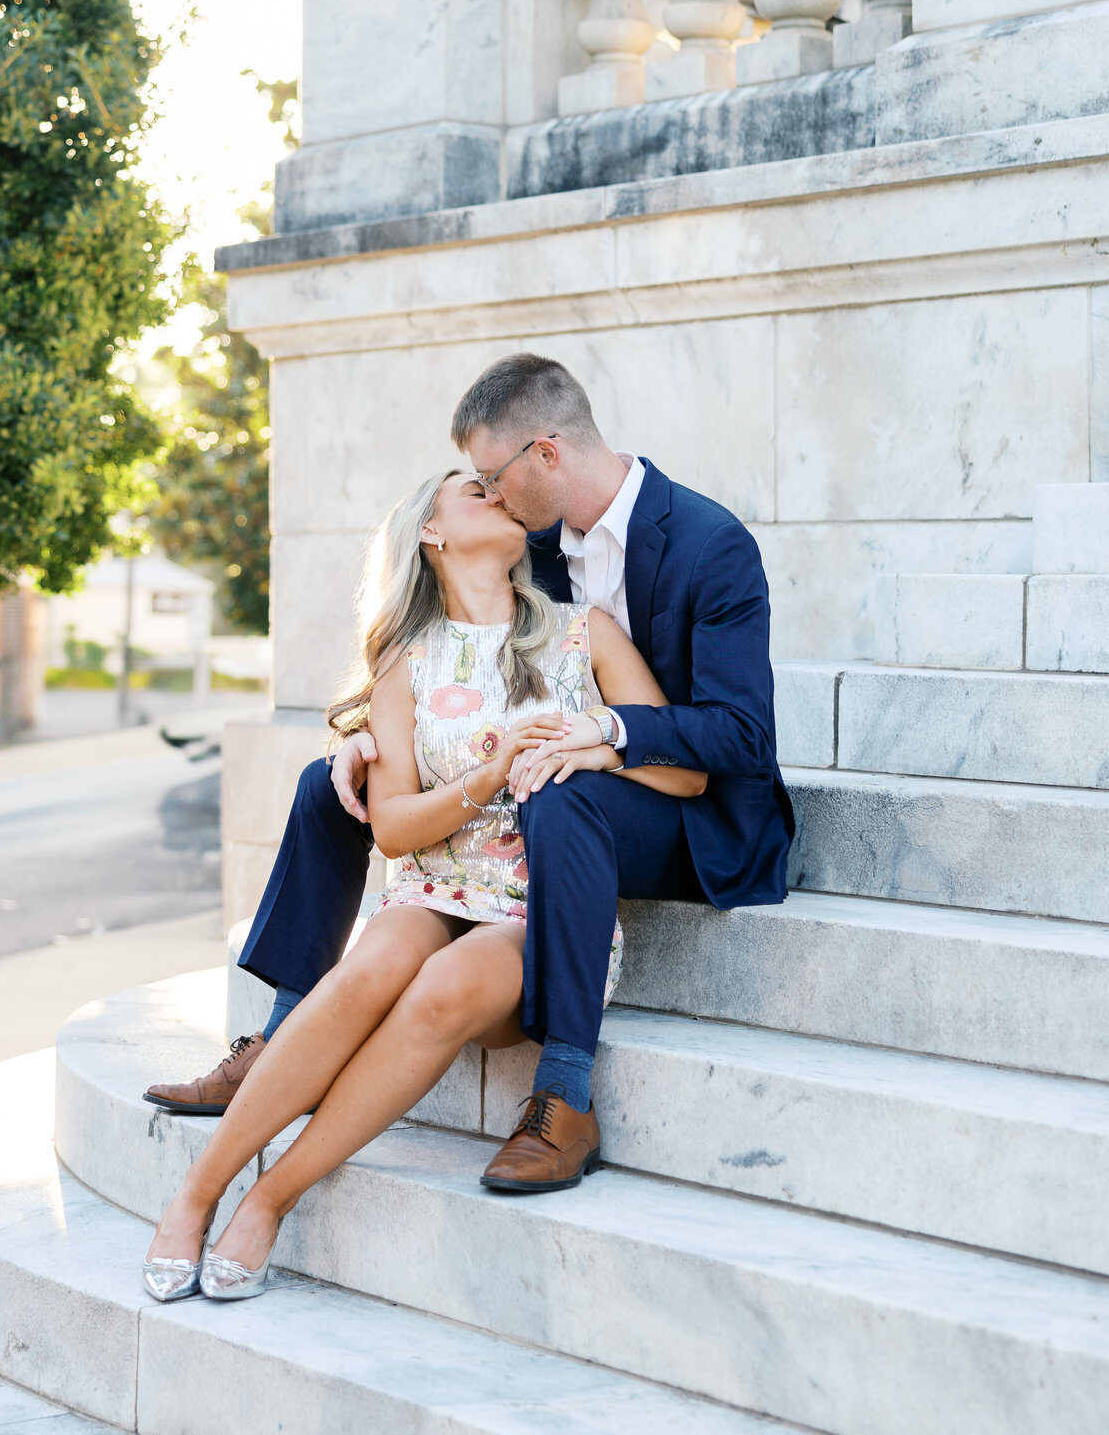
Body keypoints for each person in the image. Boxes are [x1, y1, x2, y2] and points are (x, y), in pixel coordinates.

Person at [146, 350, 795, 1193]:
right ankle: (284, 1033)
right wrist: (363, 738)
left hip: (688, 814)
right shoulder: (537, 542)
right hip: (554, 786)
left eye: (493, 477)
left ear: (545, 454)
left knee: (560, 791)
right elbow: (472, 656)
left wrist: (605, 731)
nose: (490, 495)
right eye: (478, 487)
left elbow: (743, 736)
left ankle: (564, 1093)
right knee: (328, 785)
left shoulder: (711, 544)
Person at [142, 463, 704, 1303]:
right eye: (474, 491)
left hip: (541, 907)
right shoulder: (407, 663)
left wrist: (595, 747)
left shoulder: (584, 634)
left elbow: (685, 772)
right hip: (433, 887)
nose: (498, 494)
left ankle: (269, 1200)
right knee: (369, 967)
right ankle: (196, 1194)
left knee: (440, 989)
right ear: (431, 534)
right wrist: (492, 772)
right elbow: (396, 829)